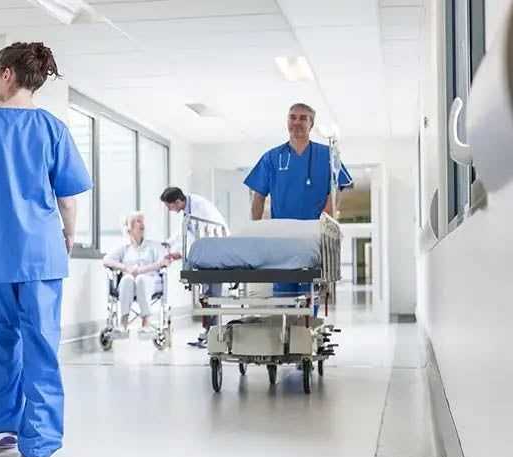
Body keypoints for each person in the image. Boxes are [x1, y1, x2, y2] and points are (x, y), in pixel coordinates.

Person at [0, 42, 92, 457]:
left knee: (0, 340)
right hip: (41, 254)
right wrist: (67, 234)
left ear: (8, 74)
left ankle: (7, 425)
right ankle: (40, 439)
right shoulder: (52, 128)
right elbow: (68, 196)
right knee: (42, 343)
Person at [244, 102, 353, 297]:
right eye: (292, 117)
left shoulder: (328, 154)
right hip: (282, 236)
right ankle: (287, 327)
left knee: (310, 294)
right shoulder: (272, 157)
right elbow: (258, 196)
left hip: (313, 234)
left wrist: (325, 220)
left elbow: (338, 189)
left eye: (303, 118)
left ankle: (307, 327)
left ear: (311, 124)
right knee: (283, 296)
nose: (297, 122)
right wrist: (257, 230)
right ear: (287, 122)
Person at [160, 187, 229, 348]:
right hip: (208, 254)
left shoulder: (199, 207)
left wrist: (182, 254)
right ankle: (208, 333)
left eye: (169, 206)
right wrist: (169, 243)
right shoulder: (188, 208)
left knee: (212, 296)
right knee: (207, 296)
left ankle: (214, 335)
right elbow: (185, 231)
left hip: (216, 252)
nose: (169, 210)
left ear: (177, 201)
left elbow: (200, 234)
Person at [103, 212, 170, 337]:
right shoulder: (124, 247)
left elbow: (164, 262)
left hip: (150, 282)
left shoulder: (153, 246)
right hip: (129, 285)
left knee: (140, 279)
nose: (142, 224)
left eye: (142, 221)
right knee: (127, 279)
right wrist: (125, 267)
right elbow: (106, 260)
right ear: (129, 228)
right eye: (138, 221)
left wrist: (141, 270)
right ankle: (123, 323)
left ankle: (146, 322)